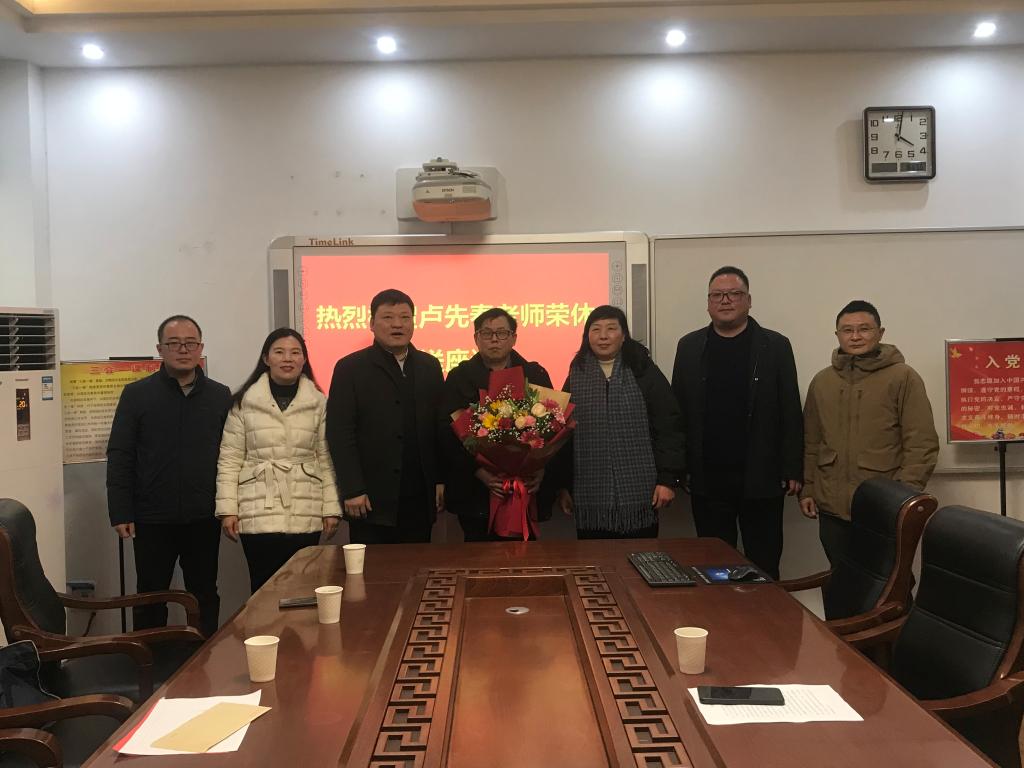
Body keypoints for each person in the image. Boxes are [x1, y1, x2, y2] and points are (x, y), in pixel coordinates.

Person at [671, 266, 802, 579]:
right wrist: (679, 467)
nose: (725, 300)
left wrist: (793, 468)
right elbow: (679, 412)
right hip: (708, 478)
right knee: (713, 567)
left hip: (762, 476)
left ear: (749, 300)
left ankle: (766, 612)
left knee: (764, 563)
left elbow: (790, 409)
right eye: (717, 295)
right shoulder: (689, 347)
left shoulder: (775, 346)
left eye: (734, 294)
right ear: (708, 303)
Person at [106, 315, 231, 638]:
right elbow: (120, 454)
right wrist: (120, 510)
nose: (183, 350)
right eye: (174, 343)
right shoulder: (137, 395)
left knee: (204, 592)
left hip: (203, 514)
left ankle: (205, 655)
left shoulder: (220, 396)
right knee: (150, 594)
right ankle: (149, 657)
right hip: (151, 516)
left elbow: (231, 456)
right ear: (160, 349)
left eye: (190, 343)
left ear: (200, 348)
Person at [800, 300, 939, 566]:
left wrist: (903, 496)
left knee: (887, 580)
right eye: (847, 330)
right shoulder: (823, 381)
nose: (855, 336)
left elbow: (921, 443)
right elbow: (812, 441)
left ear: (880, 332)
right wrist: (808, 488)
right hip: (831, 506)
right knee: (841, 578)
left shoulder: (903, 377)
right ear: (837, 335)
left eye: (864, 329)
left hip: (882, 505)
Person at [215, 328, 341, 593]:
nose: (288, 358)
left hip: (306, 505)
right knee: (263, 587)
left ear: (304, 359)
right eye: (279, 352)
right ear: (266, 358)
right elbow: (229, 458)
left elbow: (326, 457)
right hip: (257, 506)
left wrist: (331, 508)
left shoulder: (319, 402)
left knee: (304, 587)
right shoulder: (244, 402)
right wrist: (228, 510)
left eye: (295, 352)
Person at [325, 289, 445, 544]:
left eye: (405, 317)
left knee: (419, 563)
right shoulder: (350, 368)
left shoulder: (430, 366)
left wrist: (439, 480)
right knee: (372, 567)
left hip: (419, 497)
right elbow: (339, 433)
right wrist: (352, 489)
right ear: (372, 323)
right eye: (388, 317)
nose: (397, 324)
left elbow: (438, 429)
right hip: (369, 499)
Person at [556, 305, 684, 539]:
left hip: (641, 493)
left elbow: (668, 427)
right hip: (589, 497)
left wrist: (667, 480)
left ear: (624, 335)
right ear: (587, 336)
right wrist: (563, 486)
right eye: (596, 329)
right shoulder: (576, 374)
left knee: (640, 556)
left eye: (611, 329)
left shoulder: (643, 370)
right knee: (594, 558)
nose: (603, 336)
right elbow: (564, 436)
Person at [443, 307, 554, 541]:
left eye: (502, 333)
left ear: (514, 338)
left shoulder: (535, 374)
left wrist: (540, 469)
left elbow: (553, 428)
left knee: (527, 558)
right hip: (475, 491)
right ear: (476, 338)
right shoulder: (459, 377)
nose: (494, 339)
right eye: (487, 333)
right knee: (477, 558)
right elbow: (446, 435)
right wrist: (479, 472)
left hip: (526, 489)